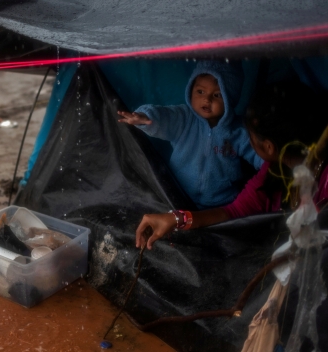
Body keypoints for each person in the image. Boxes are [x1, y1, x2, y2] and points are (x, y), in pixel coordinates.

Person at [135, 81, 328, 250]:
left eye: (250, 137)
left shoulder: (323, 183)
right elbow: (233, 212)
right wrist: (176, 219)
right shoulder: (272, 173)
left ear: (269, 147)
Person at [118, 61, 263, 208]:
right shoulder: (184, 118)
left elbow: (258, 153)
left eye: (217, 95)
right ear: (191, 90)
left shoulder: (237, 130)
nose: (207, 99)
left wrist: (272, 169)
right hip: (178, 197)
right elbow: (165, 116)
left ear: (229, 99)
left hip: (222, 202)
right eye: (200, 92)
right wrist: (145, 116)